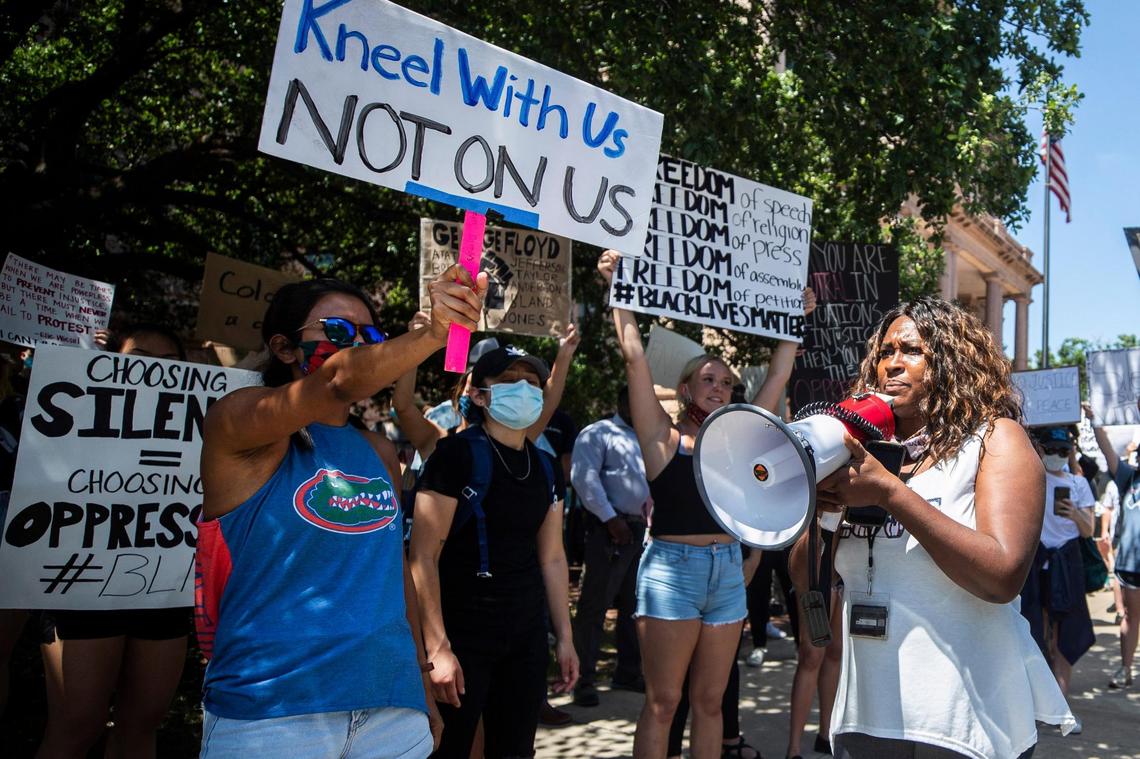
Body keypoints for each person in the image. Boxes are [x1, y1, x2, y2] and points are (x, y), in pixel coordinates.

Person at [194, 270, 485, 757]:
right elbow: (334, 380)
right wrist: (434, 333)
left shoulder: (378, 450)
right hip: (273, 712)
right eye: (336, 331)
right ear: (285, 348)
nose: (355, 346)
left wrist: (419, 681)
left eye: (369, 335)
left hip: (391, 709)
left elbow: (393, 571)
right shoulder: (238, 422)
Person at [812, 296, 1073, 758]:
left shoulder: (994, 439)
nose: (892, 365)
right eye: (884, 353)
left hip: (965, 716)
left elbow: (1001, 576)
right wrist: (822, 502)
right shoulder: (868, 457)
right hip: (867, 714)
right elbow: (806, 580)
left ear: (952, 360)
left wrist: (891, 495)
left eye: (911, 351)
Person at [599, 249, 814, 759]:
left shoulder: (741, 440)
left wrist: (794, 320)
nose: (720, 388)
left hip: (726, 573)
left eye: (728, 383)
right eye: (710, 380)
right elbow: (633, 355)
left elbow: (780, 376)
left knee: (711, 703)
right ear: (686, 388)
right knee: (664, 702)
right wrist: (617, 290)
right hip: (672, 571)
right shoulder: (662, 440)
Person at [409, 344, 579, 759]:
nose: (524, 390)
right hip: (463, 634)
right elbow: (422, 557)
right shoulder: (455, 455)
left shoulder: (544, 466)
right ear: (480, 395)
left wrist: (565, 637)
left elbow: (553, 557)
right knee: (450, 747)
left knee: (516, 748)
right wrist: (437, 648)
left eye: (533, 383)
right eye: (508, 381)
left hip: (524, 634)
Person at [35, 324, 193, 759]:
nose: (152, 371)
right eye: (139, 357)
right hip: (83, 587)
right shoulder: (75, 417)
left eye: (168, 365)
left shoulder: (201, 432)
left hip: (162, 592)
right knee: (77, 724)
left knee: (141, 724)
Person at [570, 385, 650, 707]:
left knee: (635, 607)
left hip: (643, 533)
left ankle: (628, 672)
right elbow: (584, 478)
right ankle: (582, 679)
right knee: (595, 606)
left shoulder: (650, 435)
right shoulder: (599, 433)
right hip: (610, 531)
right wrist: (610, 519)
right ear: (619, 401)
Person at [1018, 426, 1095, 706]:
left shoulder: (1079, 484)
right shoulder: (1030, 477)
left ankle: (1060, 702)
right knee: (1036, 628)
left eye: (1063, 451)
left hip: (1068, 560)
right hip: (1036, 560)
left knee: (1067, 630)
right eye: (1051, 449)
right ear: (1041, 449)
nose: (1056, 456)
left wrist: (1075, 513)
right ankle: (1041, 699)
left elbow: (1089, 530)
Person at [1088, 398, 1140, 689]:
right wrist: (1096, 421)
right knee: (1131, 617)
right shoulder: (1127, 478)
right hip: (1131, 564)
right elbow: (1107, 452)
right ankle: (1126, 668)